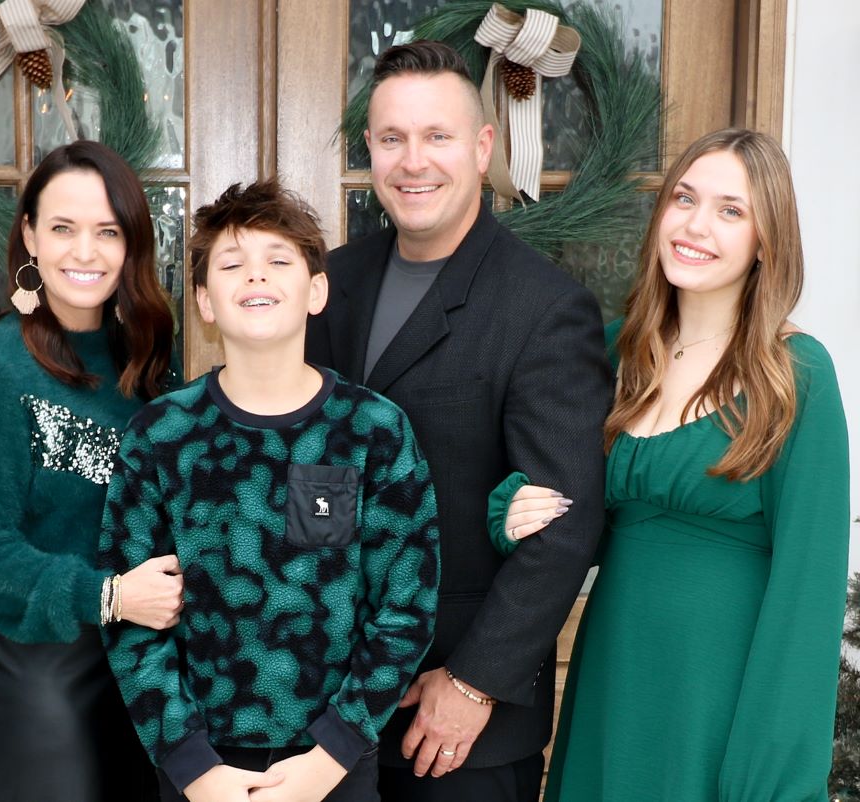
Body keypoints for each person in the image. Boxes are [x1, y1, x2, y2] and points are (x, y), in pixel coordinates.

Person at [494, 128, 850, 801]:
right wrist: (513, 510)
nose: (695, 224)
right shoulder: (612, 357)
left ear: (766, 242)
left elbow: (809, 594)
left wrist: (771, 777)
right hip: (615, 678)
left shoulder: (799, 375)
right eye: (683, 198)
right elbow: (573, 518)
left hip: (721, 701)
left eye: (730, 210)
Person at [304, 40, 613, 802]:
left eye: (437, 136)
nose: (414, 162)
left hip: (457, 728)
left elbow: (566, 524)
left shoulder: (544, 309)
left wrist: (474, 683)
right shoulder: (329, 284)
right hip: (328, 711)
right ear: (370, 149)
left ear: (481, 148)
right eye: (392, 139)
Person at [99, 178, 441, 802]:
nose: (256, 277)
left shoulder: (373, 431)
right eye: (232, 265)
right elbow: (132, 615)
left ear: (316, 291)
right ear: (204, 300)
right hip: (199, 768)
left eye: (278, 261)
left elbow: (405, 608)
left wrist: (332, 754)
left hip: (332, 763)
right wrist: (192, 765)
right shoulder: (161, 436)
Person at [0, 140, 182, 802]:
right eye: (63, 229)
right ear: (31, 237)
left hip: (145, 677)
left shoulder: (146, 368)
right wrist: (110, 596)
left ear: (131, 246)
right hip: (42, 685)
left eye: (107, 231)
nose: (85, 252)